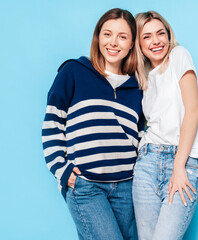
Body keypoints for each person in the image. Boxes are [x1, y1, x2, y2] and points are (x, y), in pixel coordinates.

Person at [42, 8, 143, 240]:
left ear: (131, 44)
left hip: (127, 187)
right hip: (86, 184)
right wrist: (61, 169)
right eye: (107, 34)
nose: (113, 42)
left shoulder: (137, 88)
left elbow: (139, 136)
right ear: (98, 38)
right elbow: (52, 123)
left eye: (122, 36)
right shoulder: (74, 72)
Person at [132, 11, 198, 240]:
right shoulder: (143, 76)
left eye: (160, 33)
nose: (156, 41)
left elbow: (193, 111)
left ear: (168, 35)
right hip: (146, 164)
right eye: (147, 36)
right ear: (139, 44)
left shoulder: (179, 55)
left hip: (182, 162)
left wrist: (178, 167)